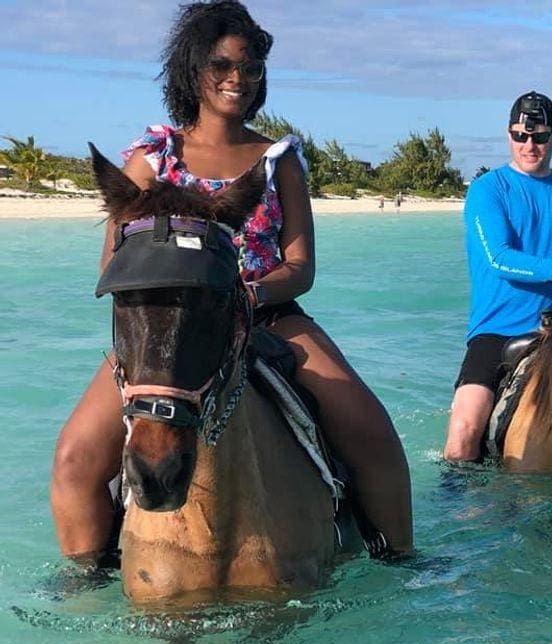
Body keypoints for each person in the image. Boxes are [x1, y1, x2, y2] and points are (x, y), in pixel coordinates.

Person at [50, 0, 412, 564]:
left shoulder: (277, 160)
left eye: (250, 69)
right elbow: (113, 270)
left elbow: (300, 268)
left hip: (267, 315)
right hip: (166, 327)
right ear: (193, 70)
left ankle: (399, 559)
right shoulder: (152, 159)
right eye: (222, 66)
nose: (237, 80)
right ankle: (86, 577)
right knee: (75, 456)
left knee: (372, 432)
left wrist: (248, 294)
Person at [443, 91, 552, 462]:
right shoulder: (488, 189)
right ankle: (460, 511)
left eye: (539, 136)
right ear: (509, 135)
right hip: (498, 330)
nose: (529, 145)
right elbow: (500, 259)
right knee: (463, 433)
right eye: (520, 136)